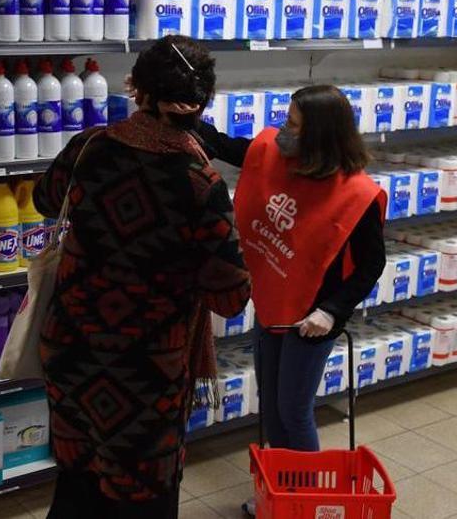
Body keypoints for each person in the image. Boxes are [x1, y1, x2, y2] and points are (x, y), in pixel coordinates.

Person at [33, 35, 252, 519]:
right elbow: (231, 295)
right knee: (141, 495)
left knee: (76, 484)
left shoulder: (89, 147)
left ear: (136, 89)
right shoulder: (200, 183)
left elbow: (45, 199)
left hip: (72, 350)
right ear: (203, 103)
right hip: (146, 368)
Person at [197, 85, 386, 509]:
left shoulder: (357, 194)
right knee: (272, 405)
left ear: (319, 133)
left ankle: (309, 504)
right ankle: (283, 496)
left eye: (294, 125)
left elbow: (372, 264)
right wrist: (176, 111)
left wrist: (331, 311)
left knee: (294, 411)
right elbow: (226, 146)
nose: (284, 130)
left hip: (312, 318)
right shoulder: (281, 157)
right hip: (273, 305)